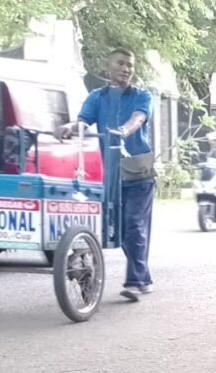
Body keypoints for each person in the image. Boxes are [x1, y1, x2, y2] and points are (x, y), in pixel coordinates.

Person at [58, 48, 155, 302]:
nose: (126, 69)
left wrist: (124, 130)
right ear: (107, 67)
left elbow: (139, 118)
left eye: (130, 65)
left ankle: (135, 281)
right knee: (114, 229)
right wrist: (70, 127)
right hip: (108, 174)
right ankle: (142, 276)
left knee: (134, 226)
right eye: (121, 64)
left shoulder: (142, 96)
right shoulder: (96, 97)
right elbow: (83, 122)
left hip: (138, 173)